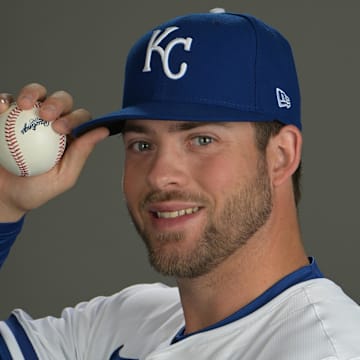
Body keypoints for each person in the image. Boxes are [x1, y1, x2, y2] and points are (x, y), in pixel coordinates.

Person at [0, 9, 359, 360]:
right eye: (142, 145)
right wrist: (4, 206)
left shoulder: (324, 348)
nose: (159, 175)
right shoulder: (123, 322)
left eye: (202, 140)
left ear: (281, 155)